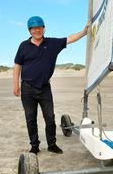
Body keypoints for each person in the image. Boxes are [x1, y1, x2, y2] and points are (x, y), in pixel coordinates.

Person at [13, 16, 89, 154]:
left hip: (44, 88)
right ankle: (34, 146)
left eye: (40, 27)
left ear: (44, 28)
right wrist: (15, 85)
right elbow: (17, 65)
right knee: (30, 119)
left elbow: (69, 39)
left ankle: (52, 144)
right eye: (34, 28)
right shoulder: (23, 46)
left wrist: (84, 32)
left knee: (50, 118)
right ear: (29, 30)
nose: (37, 30)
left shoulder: (52, 43)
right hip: (27, 89)